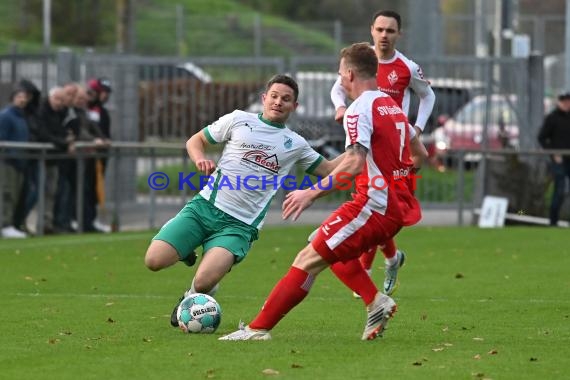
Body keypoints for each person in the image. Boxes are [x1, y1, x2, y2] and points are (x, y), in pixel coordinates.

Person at [219, 42, 422, 341]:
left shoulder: (358, 110)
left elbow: (354, 163)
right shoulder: (390, 105)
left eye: (341, 73)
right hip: (391, 205)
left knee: (307, 260)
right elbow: (420, 154)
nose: (340, 79)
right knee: (322, 245)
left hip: (373, 205)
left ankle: (257, 330)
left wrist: (309, 193)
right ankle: (375, 301)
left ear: (350, 74)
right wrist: (395, 178)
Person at [143, 74, 345, 328]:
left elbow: (328, 170)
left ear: (295, 107)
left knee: (205, 282)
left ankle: (190, 297)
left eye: (286, 99)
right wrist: (199, 159)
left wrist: (357, 150)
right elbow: (196, 141)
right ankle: (186, 249)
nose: (278, 102)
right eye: (274, 96)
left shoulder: (295, 144)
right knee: (153, 261)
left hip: (239, 226)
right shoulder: (239, 119)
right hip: (204, 208)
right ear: (264, 98)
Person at [329, 9, 435, 296]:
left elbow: (428, 96)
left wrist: (417, 130)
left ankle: (383, 261)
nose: (384, 35)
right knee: (375, 202)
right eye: (380, 29)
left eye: (390, 30)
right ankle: (386, 260)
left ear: (398, 34)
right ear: (372, 30)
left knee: (384, 205)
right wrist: (340, 107)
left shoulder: (407, 67)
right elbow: (337, 89)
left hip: (395, 146)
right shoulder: (362, 60)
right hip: (367, 142)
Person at [0, 86, 30, 238]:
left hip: (20, 162)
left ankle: (10, 223)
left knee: (15, 194)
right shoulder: (6, 116)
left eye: (24, 97)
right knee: (7, 193)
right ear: (12, 98)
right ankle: (4, 224)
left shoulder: (22, 117)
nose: (22, 99)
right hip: (8, 162)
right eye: (19, 96)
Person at [538, 91, 570, 226]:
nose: (567, 104)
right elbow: (542, 138)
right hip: (559, 160)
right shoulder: (552, 118)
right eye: (565, 101)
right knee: (559, 190)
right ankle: (553, 221)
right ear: (559, 102)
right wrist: (553, 153)